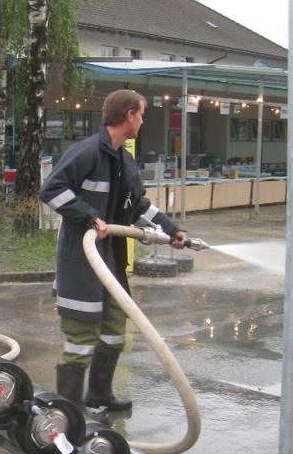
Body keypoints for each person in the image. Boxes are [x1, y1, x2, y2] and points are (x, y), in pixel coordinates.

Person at [39, 89, 187, 419]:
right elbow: (50, 190)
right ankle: (71, 412)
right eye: (142, 114)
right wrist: (90, 218)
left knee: (115, 330)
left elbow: (139, 207)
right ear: (129, 115)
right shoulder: (87, 152)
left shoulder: (124, 161)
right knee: (80, 339)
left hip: (111, 263)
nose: (143, 121)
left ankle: (99, 395)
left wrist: (171, 230)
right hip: (82, 262)